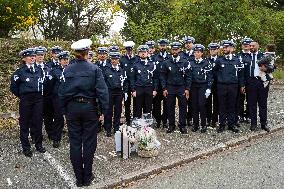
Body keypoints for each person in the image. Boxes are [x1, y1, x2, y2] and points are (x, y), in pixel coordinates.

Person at [59, 39, 109, 187]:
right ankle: (87, 177)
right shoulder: (94, 69)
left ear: (75, 54)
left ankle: (78, 179)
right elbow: (102, 92)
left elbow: (61, 93)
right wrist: (103, 111)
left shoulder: (66, 70)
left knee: (75, 143)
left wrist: (64, 111)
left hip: (72, 110)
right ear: (87, 52)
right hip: (89, 109)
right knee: (88, 143)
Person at [10, 48, 46, 157]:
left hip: (38, 99)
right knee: (24, 123)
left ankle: (38, 144)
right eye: (30, 56)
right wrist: (22, 95)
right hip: (26, 99)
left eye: (33, 56)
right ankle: (26, 147)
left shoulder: (40, 70)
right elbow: (13, 87)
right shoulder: (20, 71)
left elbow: (44, 84)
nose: (32, 58)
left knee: (38, 122)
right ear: (24, 58)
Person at [214, 40, 245, 133]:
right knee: (222, 105)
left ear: (232, 48)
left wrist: (242, 85)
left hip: (233, 86)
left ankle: (231, 124)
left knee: (232, 105)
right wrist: (220, 79)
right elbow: (214, 72)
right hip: (221, 86)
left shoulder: (237, 60)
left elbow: (241, 74)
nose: (224, 49)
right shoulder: (219, 60)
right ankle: (222, 124)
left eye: (227, 47)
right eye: (223, 47)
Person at [160, 42, 190, 134]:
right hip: (170, 87)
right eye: (173, 49)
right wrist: (164, 88)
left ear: (179, 50)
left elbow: (188, 76)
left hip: (181, 87)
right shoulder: (166, 62)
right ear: (171, 50)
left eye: (176, 49)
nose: (175, 51)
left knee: (183, 107)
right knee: (170, 107)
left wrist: (187, 89)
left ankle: (182, 125)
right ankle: (171, 125)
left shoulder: (185, 62)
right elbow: (162, 76)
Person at [245, 42, 275, 132]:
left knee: (263, 104)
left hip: (262, 82)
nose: (251, 47)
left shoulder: (264, 55)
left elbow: (273, 67)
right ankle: (253, 124)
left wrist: (266, 69)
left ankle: (263, 123)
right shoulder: (246, 57)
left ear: (258, 46)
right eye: (250, 46)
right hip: (250, 82)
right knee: (252, 104)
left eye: (253, 46)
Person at [188, 44, 213, 133]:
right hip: (194, 86)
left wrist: (209, 88)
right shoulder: (190, 63)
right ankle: (195, 124)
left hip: (203, 86)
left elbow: (210, 76)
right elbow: (188, 76)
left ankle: (203, 124)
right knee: (194, 106)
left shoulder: (206, 63)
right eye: (195, 52)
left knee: (202, 105)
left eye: (198, 52)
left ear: (202, 53)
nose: (196, 54)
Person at [104, 51, 128, 137]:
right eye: (113, 59)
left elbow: (125, 82)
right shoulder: (106, 69)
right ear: (110, 60)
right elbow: (103, 82)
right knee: (108, 111)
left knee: (118, 111)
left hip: (119, 93)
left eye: (116, 59)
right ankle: (108, 128)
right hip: (109, 92)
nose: (114, 61)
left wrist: (125, 92)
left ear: (118, 60)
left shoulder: (121, 70)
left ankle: (116, 127)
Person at [130, 45, 158, 118]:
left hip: (149, 88)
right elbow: (132, 79)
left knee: (148, 108)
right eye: (141, 52)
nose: (143, 53)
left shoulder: (152, 64)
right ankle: (138, 124)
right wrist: (133, 90)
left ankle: (147, 125)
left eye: (144, 52)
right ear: (138, 53)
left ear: (147, 53)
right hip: (138, 88)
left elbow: (155, 78)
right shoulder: (135, 65)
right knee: (138, 108)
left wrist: (155, 90)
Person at [34, 46, 55, 142]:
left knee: (48, 116)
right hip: (36, 97)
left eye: (42, 55)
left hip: (47, 97)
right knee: (36, 117)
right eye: (38, 55)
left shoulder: (48, 68)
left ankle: (50, 133)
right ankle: (35, 136)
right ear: (35, 56)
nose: (40, 57)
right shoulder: (32, 68)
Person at [50, 51, 70, 148]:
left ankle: (72, 137)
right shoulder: (55, 70)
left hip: (69, 97)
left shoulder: (72, 69)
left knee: (70, 118)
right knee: (58, 118)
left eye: (67, 59)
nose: (65, 61)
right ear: (59, 61)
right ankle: (56, 138)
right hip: (58, 98)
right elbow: (51, 84)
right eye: (63, 60)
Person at [152, 39, 171, 128]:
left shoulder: (170, 57)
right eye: (161, 45)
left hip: (167, 84)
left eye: (164, 45)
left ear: (166, 46)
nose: (162, 47)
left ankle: (165, 120)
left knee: (167, 104)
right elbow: (154, 73)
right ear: (158, 46)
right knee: (156, 104)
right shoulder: (154, 58)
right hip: (157, 84)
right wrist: (155, 88)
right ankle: (158, 120)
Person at [120, 41, 139, 125]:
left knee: (136, 102)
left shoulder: (137, 58)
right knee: (127, 102)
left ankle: (135, 119)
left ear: (132, 49)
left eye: (130, 50)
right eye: (128, 50)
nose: (129, 51)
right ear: (126, 50)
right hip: (126, 84)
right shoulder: (122, 59)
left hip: (136, 83)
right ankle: (127, 119)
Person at [236, 38, 253, 125]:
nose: (246, 46)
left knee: (250, 100)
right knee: (240, 99)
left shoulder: (254, 56)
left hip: (251, 81)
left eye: (248, 44)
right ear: (242, 45)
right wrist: (241, 83)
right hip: (240, 81)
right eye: (244, 44)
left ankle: (248, 115)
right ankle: (240, 115)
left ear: (251, 46)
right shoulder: (237, 56)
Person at [206, 42, 220, 127]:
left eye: (214, 49)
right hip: (208, 84)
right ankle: (208, 119)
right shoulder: (206, 60)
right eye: (211, 49)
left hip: (218, 84)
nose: (212, 51)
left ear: (217, 50)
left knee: (216, 102)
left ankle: (214, 120)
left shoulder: (221, 59)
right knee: (207, 102)